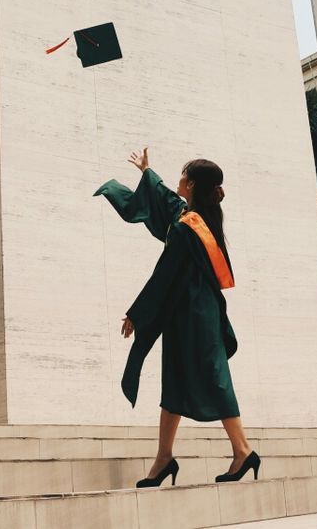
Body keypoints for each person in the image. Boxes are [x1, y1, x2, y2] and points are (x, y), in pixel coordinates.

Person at [94, 147, 261, 488]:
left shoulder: (190, 227)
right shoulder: (192, 217)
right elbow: (169, 202)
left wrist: (136, 313)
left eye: (184, 175)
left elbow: (164, 273)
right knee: (174, 378)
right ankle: (164, 458)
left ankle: (243, 450)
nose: (179, 179)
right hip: (186, 313)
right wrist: (147, 173)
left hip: (197, 315)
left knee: (214, 377)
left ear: (194, 184)